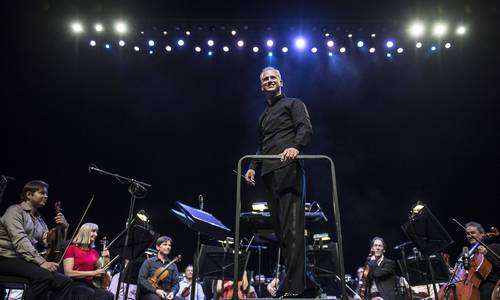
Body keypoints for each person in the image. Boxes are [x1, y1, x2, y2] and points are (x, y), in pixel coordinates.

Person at [244, 66, 313, 297]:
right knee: (282, 234)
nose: (270, 81)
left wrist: (296, 147)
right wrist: (253, 167)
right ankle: (302, 283)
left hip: (289, 171)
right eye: (265, 79)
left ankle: (296, 289)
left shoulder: (294, 104)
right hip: (269, 176)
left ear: (281, 82)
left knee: (293, 231)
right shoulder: (263, 116)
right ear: (261, 85)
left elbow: (305, 128)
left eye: (273, 77)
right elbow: (261, 145)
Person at [0, 180, 72, 299]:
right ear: (29, 195)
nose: (46, 196)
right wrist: (42, 262)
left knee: (65, 281)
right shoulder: (14, 211)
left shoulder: (39, 219)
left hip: (23, 261)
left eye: (46, 194)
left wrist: (63, 228)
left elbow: (49, 242)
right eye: (42, 193)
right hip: (6, 258)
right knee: (44, 276)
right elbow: (20, 241)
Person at [62, 222, 114, 299]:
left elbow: (101, 270)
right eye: (93, 231)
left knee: (108, 295)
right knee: (88, 292)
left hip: (89, 285)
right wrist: (93, 273)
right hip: (75, 283)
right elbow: (68, 272)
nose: (96, 234)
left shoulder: (94, 252)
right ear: (85, 232)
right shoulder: (71, 249)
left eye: (96, 232)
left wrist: (107, 259)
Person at [465, 221, 500, 299]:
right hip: (468, 284)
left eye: (472, 233)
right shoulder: (466, 253)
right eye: (467, 234)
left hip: (488, 283)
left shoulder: (494, 248)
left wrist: (487, 254)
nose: (469, 236)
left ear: (482, 234)